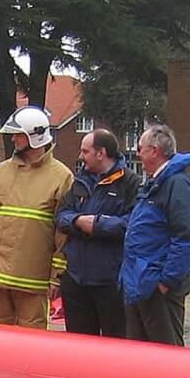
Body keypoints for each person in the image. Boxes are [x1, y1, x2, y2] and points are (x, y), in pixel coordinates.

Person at [0, 106, 73, 328]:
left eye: (18, 134)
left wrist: (57, 277)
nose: (13, 139)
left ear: (35, 136)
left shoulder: (62, 178)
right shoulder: (0, 172)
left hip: (33, 282)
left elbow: (63, 235)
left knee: (31, 342)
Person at [119, 124, 190, 346]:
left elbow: (187, 236)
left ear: (154, 151)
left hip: (157, 286)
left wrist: (167, 281)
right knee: (140, 353)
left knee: (166, 352)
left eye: (140, 148)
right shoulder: (155, 184)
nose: (137, 154)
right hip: (141, 283)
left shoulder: (177, 184)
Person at [55, 128, 140, 338]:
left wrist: (98, 225)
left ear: (101, 153)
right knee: (79, 345)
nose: (80, 156)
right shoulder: (80, 182)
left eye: (85, 151)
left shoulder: (130, 184)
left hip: (110, 281)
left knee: (115, 344)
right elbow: (61, 216)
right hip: (76, 280)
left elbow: (133, 224)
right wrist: (77, 221)